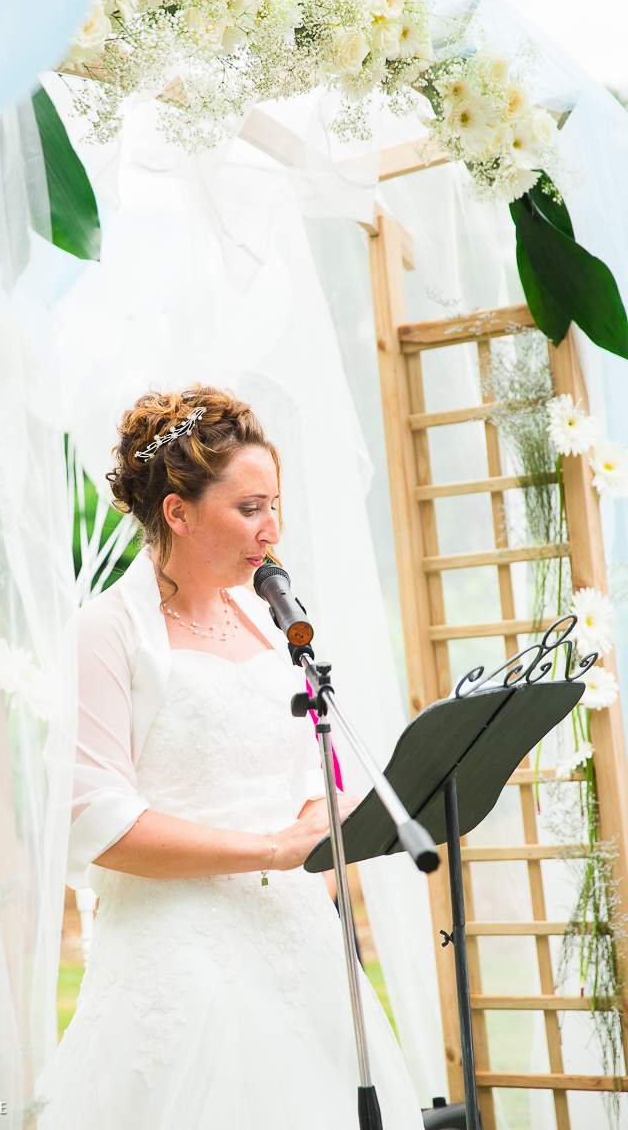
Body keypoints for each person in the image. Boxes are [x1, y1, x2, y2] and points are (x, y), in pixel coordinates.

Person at [50, 385, 424, 1129]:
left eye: (274, 505)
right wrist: (275, 850)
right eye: (250, 508)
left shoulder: (273, 620)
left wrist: (324, 817)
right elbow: (96, 821)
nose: (272, 530)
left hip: (302, 952)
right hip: (179, 963)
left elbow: (305, 770)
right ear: (178, 513)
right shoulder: (107, 632)